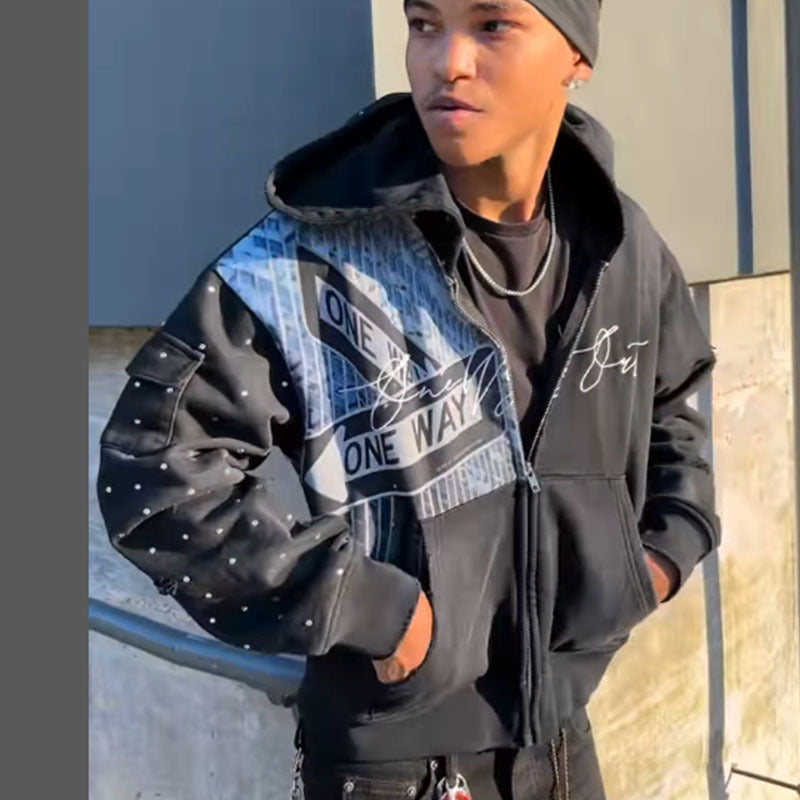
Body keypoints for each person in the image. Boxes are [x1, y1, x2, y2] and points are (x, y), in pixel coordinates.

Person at [97, 1, 720, 797]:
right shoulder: (311, 257)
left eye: (491, 24)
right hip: (392, 769)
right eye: (424, 23)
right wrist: (361, 606)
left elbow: (677, 413)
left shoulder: (621, 248)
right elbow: (153, 472)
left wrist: (658, 559)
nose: (445, 61)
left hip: (565, 745)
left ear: (576, 55)